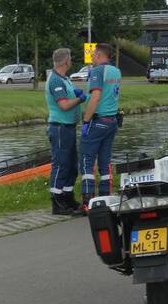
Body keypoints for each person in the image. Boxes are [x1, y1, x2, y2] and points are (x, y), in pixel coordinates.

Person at [80, 43, 122, 208]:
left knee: (86, 161)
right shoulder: (116, 71)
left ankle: (88, 202)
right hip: (112, 121)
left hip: (98, 121)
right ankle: (105, 199)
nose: (92, 58)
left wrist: (86, 120)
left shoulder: (98, 71)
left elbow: (95, 97)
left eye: (93, 55)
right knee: (105, 162)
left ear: (98, 54)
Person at [45, 47, 86, 215]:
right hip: (60, 127)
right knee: (61, 164)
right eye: (70, 59)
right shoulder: (55, 80)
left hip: (69, 126)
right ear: (66, 61)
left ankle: (68, 196)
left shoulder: (65, 79)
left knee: (71, 165)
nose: (71, 62)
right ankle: (57, 201)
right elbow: (63, 105)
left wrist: (74, 94)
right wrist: (79, 99)